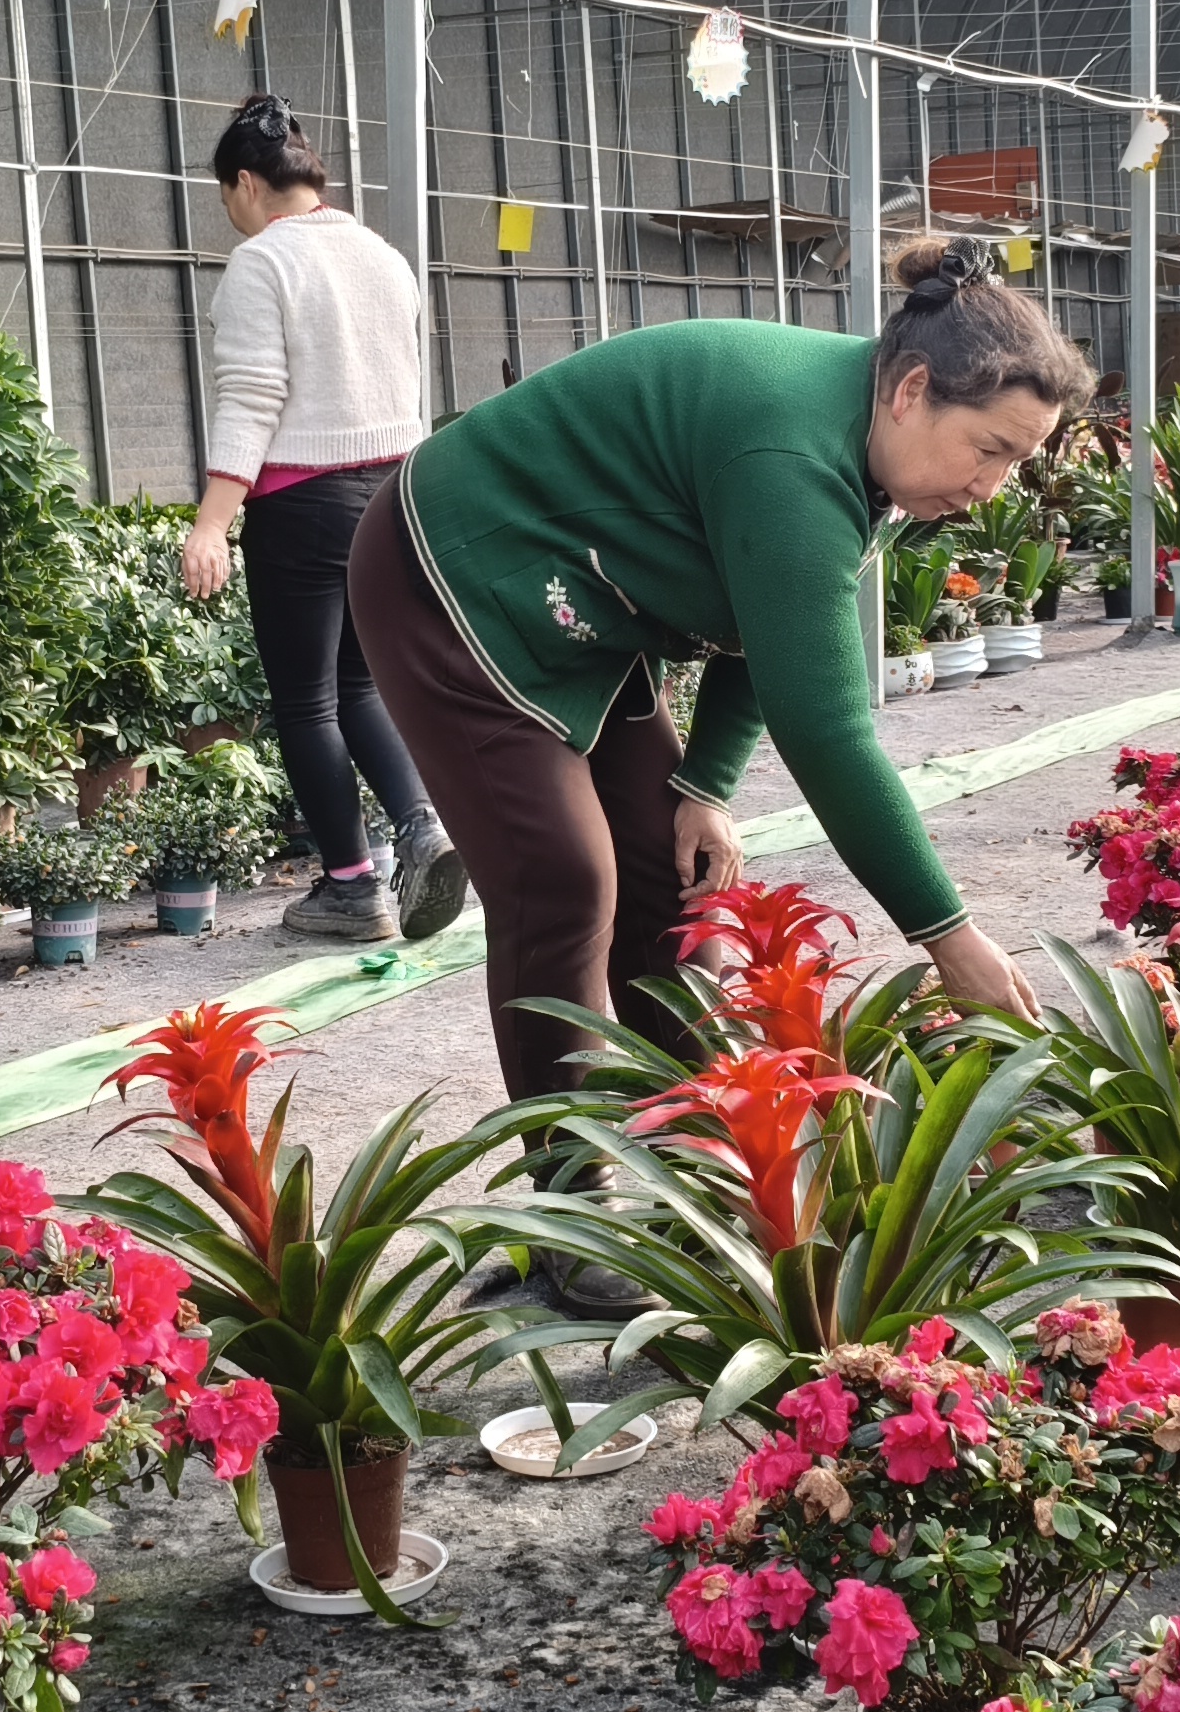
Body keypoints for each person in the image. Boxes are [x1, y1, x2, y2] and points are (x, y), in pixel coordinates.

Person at [351, 237, 1076, 1106]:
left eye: (1016, 463)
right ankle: (574, 1171)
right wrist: (948, 935)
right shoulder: (795, 459)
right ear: (913, 390)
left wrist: (706, 785)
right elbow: (828, 732)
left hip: (587, 596)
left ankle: (707, 1129)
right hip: (453, 566)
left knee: (672, 867)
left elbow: (773, 623)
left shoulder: (879, 446)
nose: (993, 486)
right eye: (990, 449)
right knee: (563, 880)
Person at [175, 95, 464, 944]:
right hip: (394, 498)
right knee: (362, 686)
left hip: (302, 506)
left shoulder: (262, 262)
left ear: (244, 182)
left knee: (305, 703)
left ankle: (350, 887)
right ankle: (421, 827)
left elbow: (252, 396)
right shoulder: (383, 257)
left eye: (225, 197)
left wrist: (211, 522)